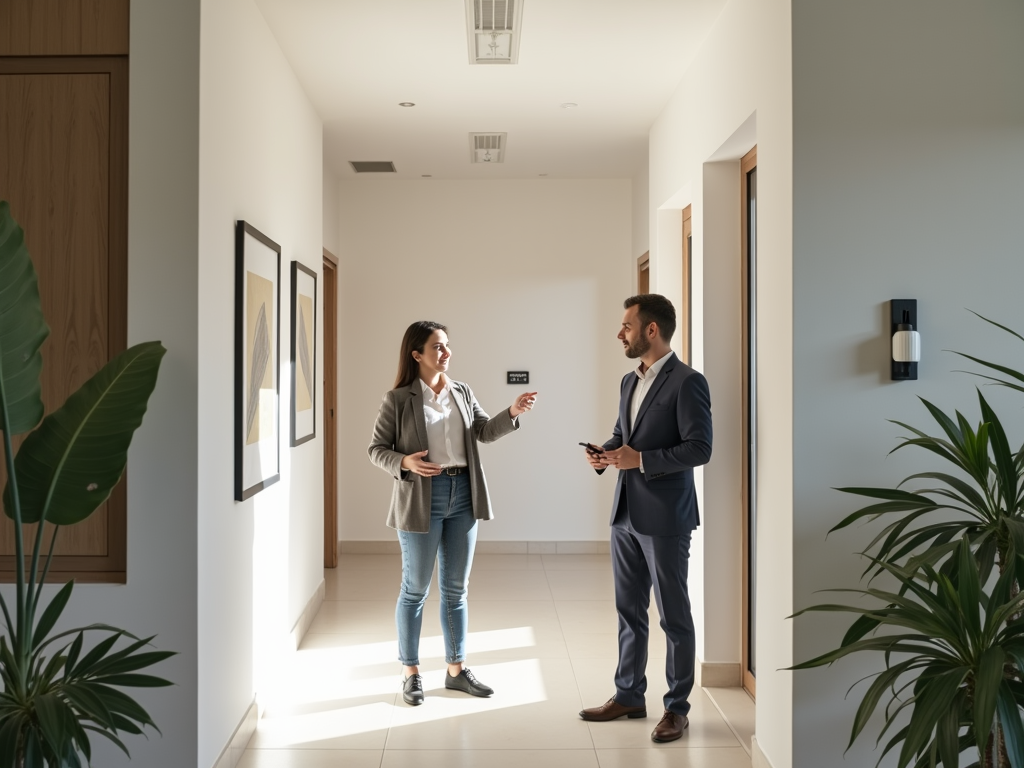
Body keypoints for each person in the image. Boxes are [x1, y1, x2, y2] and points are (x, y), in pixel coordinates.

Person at [368, 320, 537, 707]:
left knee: (456, 591)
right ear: (417, 355)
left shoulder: (462, 391)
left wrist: (511, 412)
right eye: (437, 347)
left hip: (463, 495)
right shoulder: (398, 399)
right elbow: (376, 449)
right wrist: (405, 461)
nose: (446, 352)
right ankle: (411, 672)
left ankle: (456, 670)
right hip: (421, 497)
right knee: (415, 590)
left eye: (447, 345)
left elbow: (483, 432)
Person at [578, 294, 713, 743]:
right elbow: (625, 436)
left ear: (651, 330)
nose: (621, 333)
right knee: (628, 611)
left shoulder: (688, 382)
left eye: (627, 327)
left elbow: (700, 448)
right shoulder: (627, 381)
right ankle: (629, 695)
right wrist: (606, 453)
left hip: (666, 517)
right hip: (625, 515)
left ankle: (676, 709)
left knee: (674, 616)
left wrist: (641, 460)